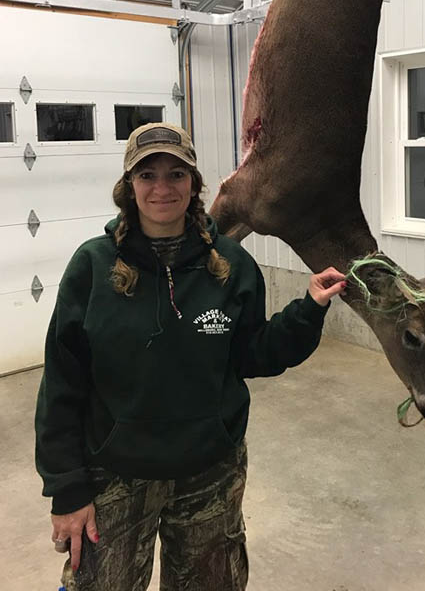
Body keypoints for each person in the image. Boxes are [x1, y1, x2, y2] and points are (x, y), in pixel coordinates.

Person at [35, 122, 346, 591]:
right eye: (148, 175)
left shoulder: (231, 265)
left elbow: (253, 355)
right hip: (116, 472)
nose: (162, 188)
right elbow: (62, 381)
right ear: (129, 186)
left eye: (176, 174)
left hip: (210, 470)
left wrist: (309, 310)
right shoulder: (93, 267)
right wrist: (66, 489)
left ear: (194, 184)